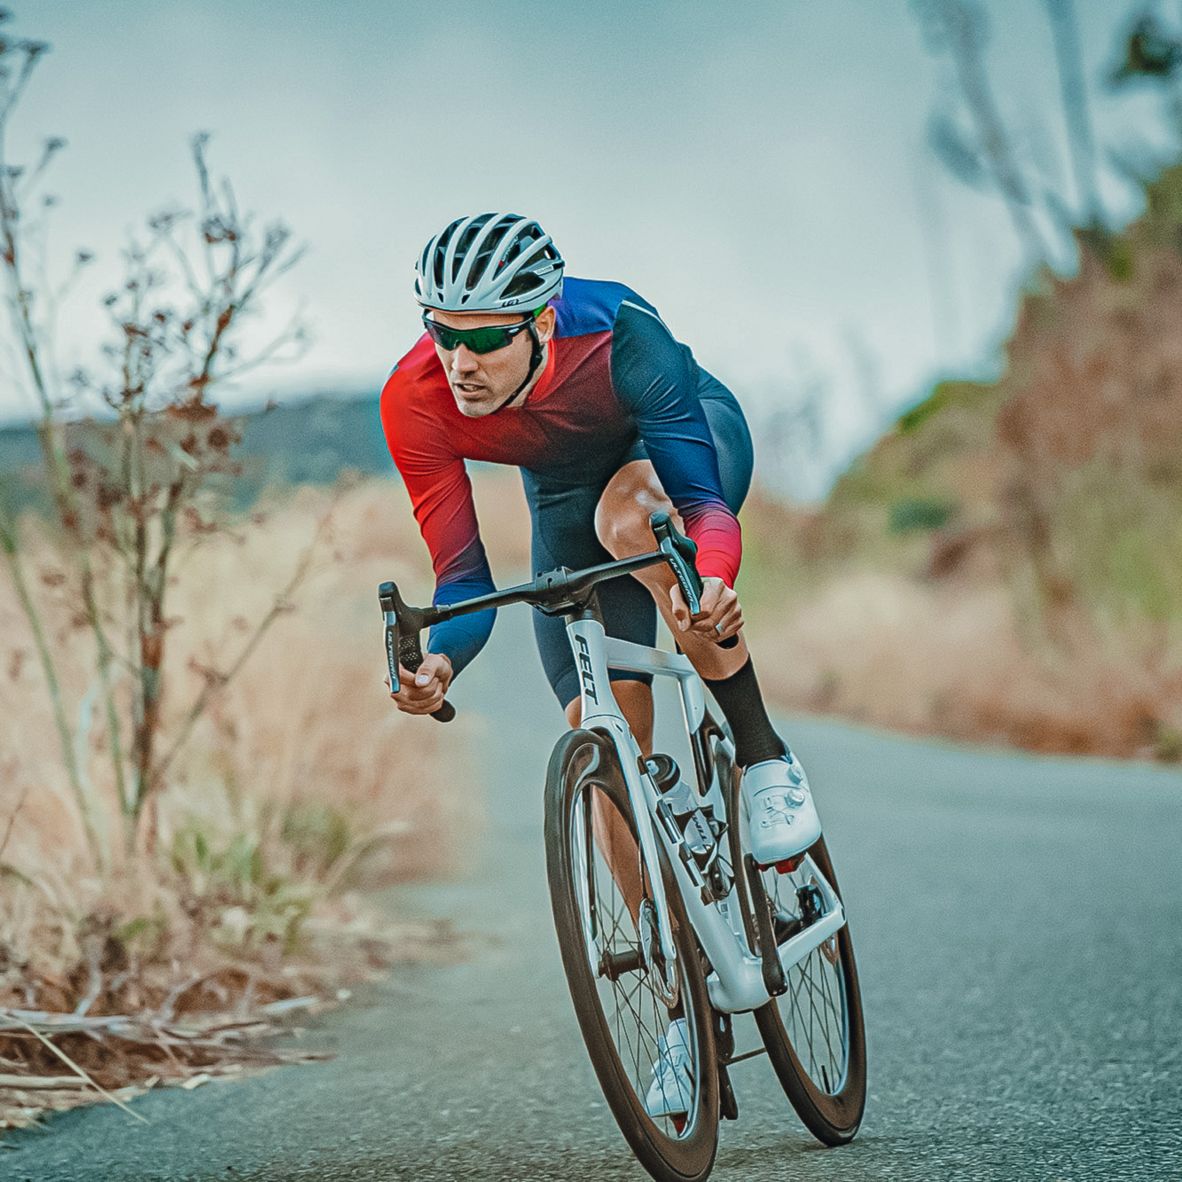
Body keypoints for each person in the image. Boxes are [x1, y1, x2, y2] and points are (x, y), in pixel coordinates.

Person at [380, 212, 821, 1115]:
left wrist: (715, 579)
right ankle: (680, 1008)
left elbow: (702, 509)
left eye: (482, 339)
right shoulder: (415, 399)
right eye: (439, 329)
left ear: (539, 324)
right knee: (600, 738)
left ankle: (765, 756)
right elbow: (463, 579)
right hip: (564, 499)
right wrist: (441, 666)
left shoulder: (620, 335)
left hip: (680, 449)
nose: (457, 359)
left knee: (640, 529)